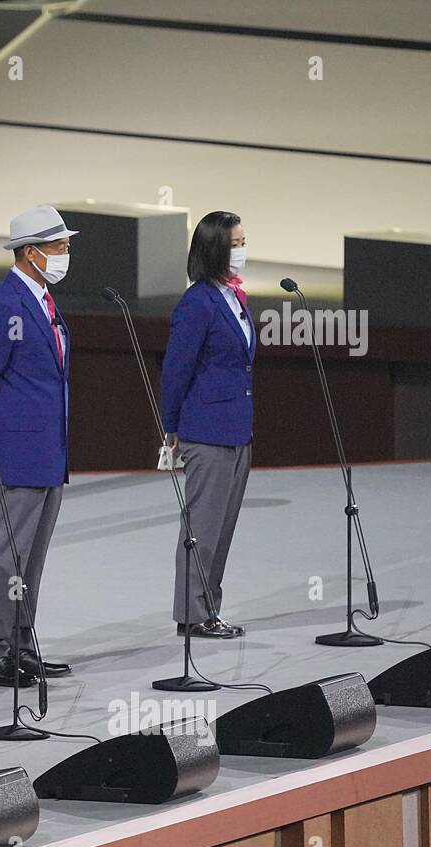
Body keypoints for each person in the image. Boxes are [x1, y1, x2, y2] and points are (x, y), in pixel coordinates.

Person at [0, 206, 76, 689]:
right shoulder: (8, 303)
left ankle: (22, 645)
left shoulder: (42, 299)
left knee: (32, 557)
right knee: (7, 557)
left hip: (49, 450)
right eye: (59, 246)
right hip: (17, 451)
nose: (67, 254)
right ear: (31, 252)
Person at [160, 210, 255, 638]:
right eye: (235, 244)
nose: (242, 251)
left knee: (223, 528)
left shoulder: (233, 297)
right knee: (202, 529)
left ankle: (209, 609)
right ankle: (192, 615)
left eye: (243, 242)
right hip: (206, 431)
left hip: (238, 428)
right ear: (215, 249)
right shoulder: (197, 302)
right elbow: (175, 368)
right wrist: (170, 425)